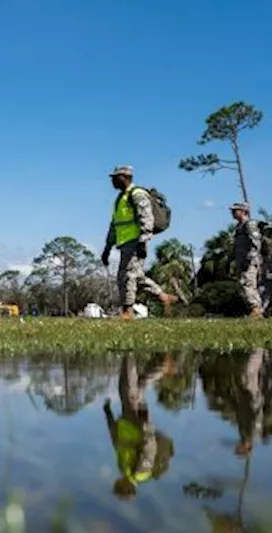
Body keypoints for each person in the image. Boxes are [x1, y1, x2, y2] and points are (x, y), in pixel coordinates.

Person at [100, 166, 176, 319]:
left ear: (126, 177)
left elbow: (147, 219)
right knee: (135, 276)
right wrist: (107, 247)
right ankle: (163, 297)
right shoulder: (120, 199)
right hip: (124, 242)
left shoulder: (137, 195)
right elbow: (115, 224)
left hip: (136, 241)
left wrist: (143, 241)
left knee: (128, 276)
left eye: (116, 177)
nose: (113, 181)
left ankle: (128, 311)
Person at [104, 353, 175, 500]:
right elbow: (149, 446)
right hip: (136, 420)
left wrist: (109, 415)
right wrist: (143, 425)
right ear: (126, 488)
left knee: (138, 386)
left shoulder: (125, 470)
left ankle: (161, 368)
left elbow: (116, 442)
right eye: (117, 487)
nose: (115, 483)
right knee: (128, 387)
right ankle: (128, 352)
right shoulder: (141, 471)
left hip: (127, 419)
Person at [230, 203, 265, 318]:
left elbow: (256, 243)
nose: (233, 212)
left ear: (244, 211)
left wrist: (250, 259)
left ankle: (256, 309)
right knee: (243, 285)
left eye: (236, 210)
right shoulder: (239, 226)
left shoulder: (249, 224)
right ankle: (254, 309)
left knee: (248, 284)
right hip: (241, 261)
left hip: (249, 261)